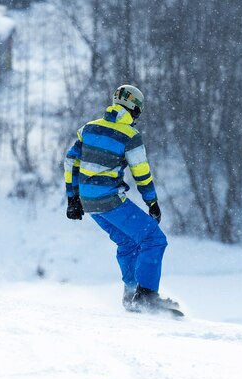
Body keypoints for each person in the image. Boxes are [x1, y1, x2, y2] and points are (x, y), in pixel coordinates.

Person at [63, 85, 179, 313]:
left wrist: (72, 198)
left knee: (128, 242)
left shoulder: (89, 128)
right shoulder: (130, 136)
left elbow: (71, 161)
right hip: (109, 199)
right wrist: (152, 202)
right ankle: (146, 297)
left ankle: (131, 294)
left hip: (89, 202)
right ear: (135, 110)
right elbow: (141, 172)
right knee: (154, 239)